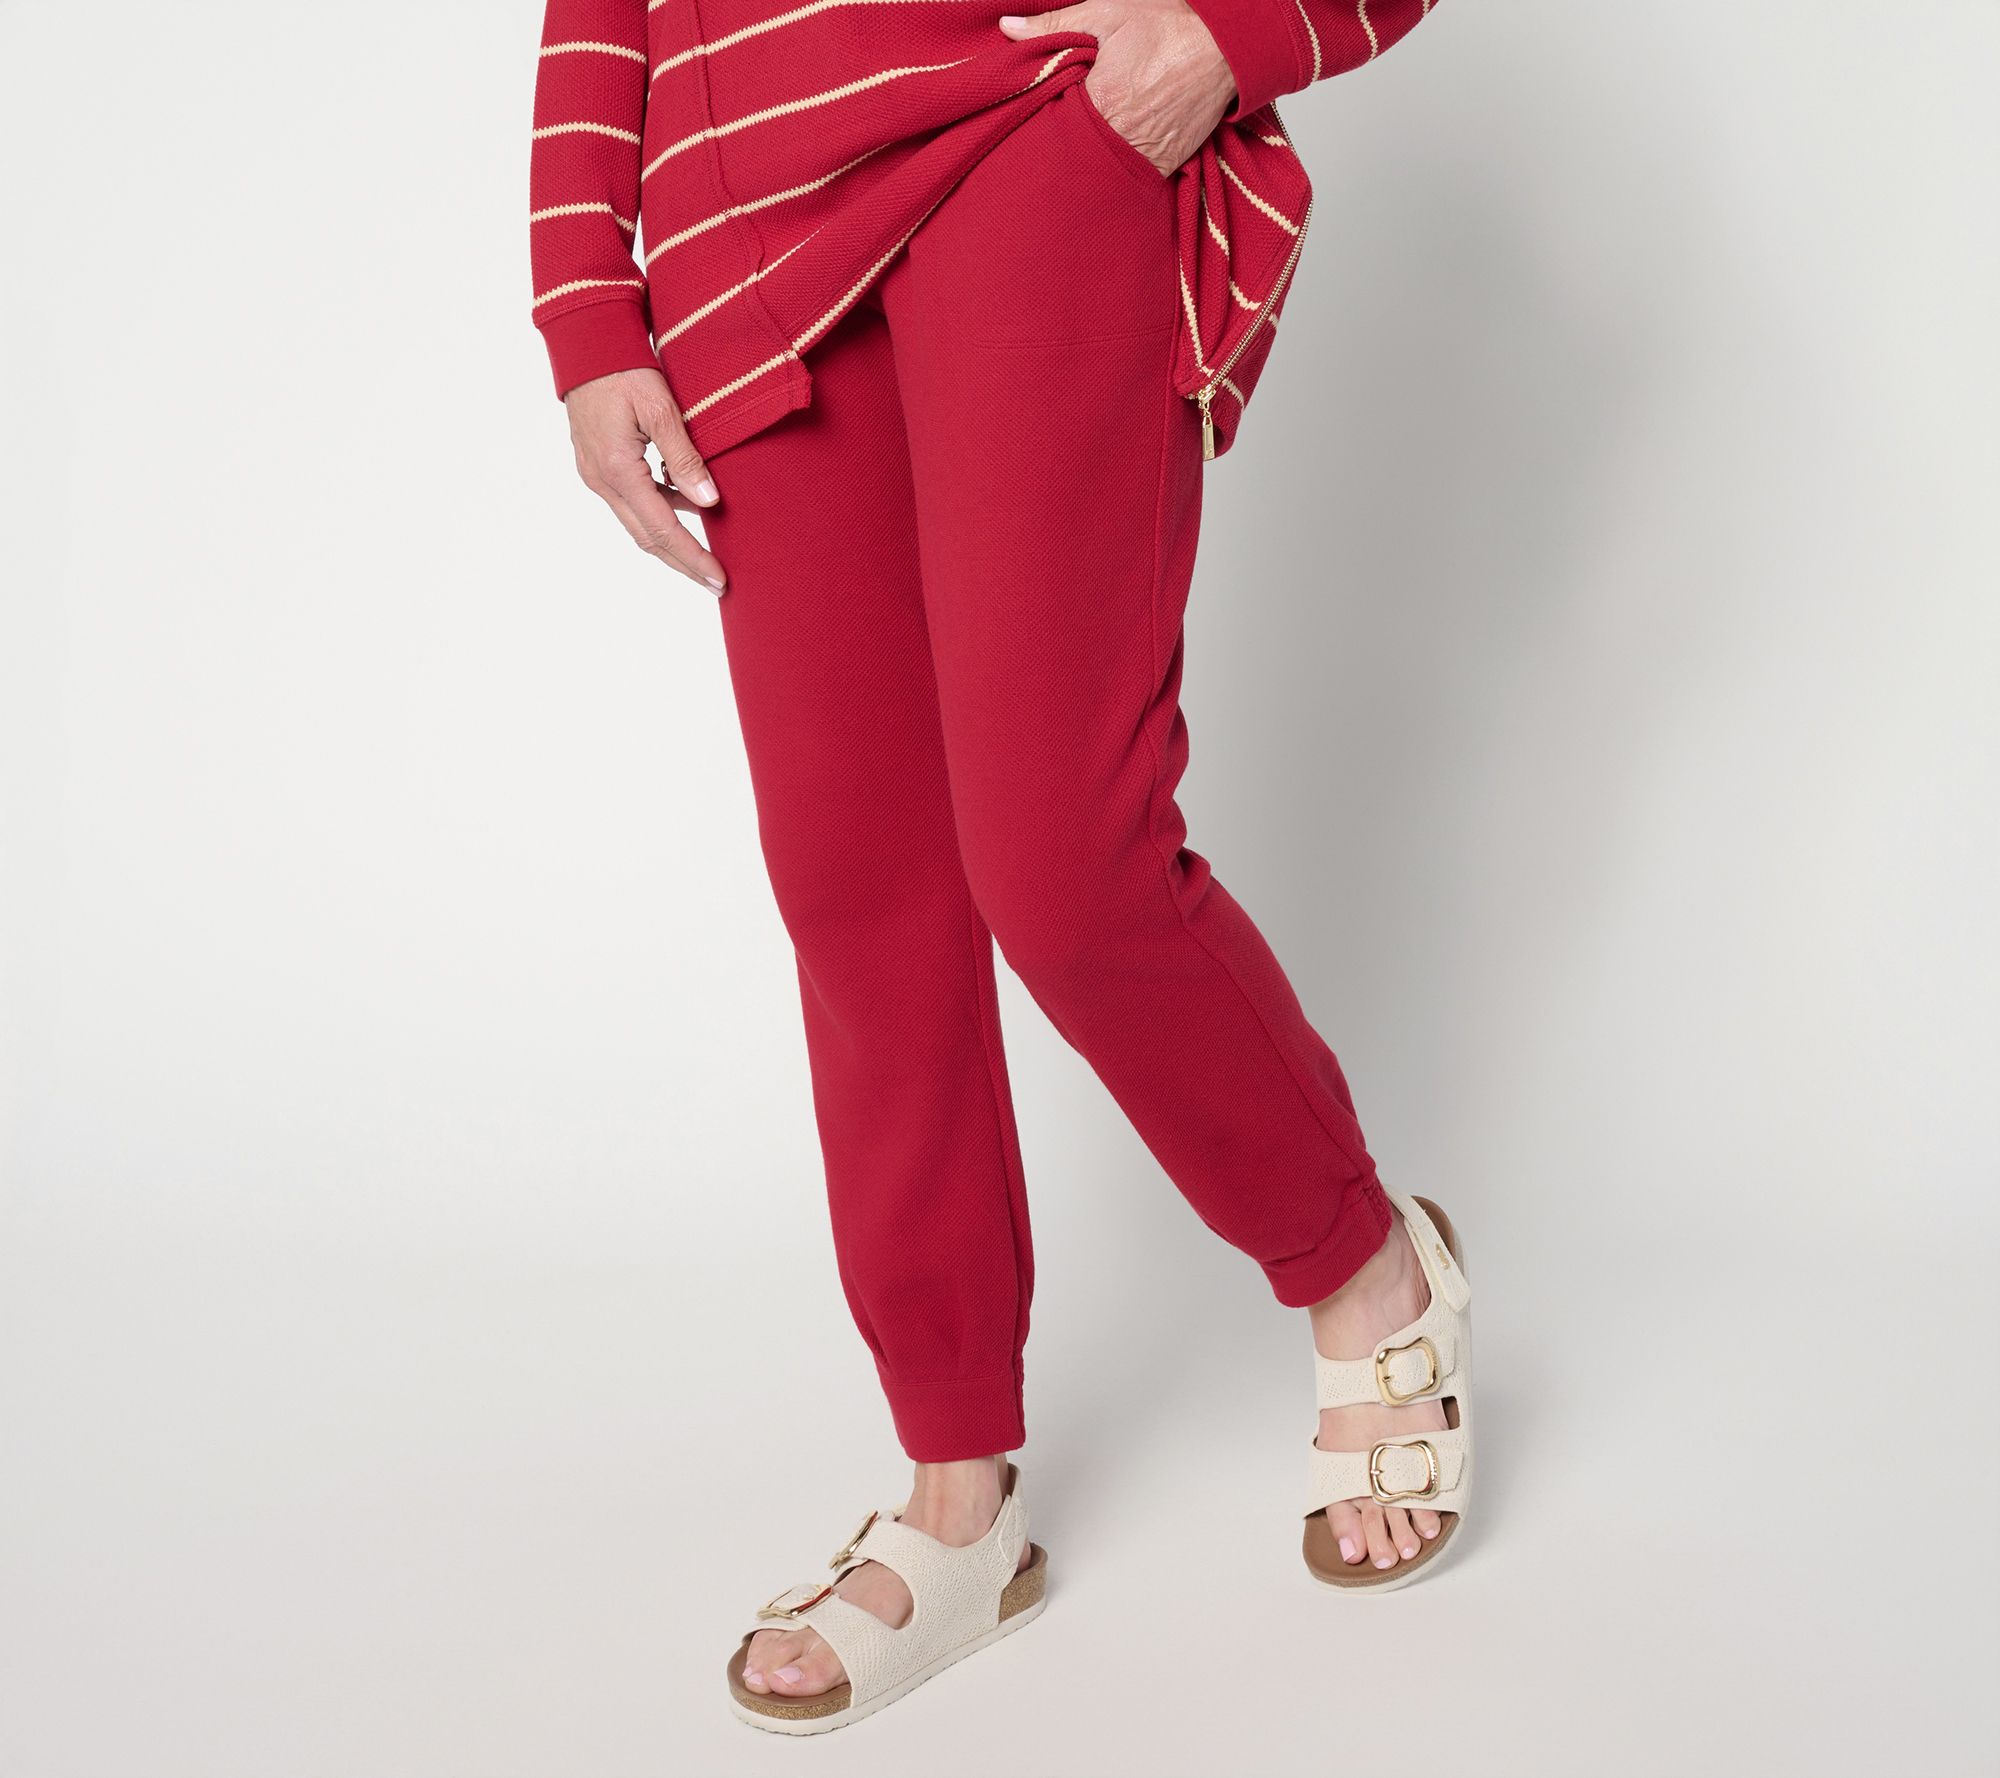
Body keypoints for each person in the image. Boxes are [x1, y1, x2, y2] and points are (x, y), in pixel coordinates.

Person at [529, 0, 1474, 1734]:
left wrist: (1231, 33)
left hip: (1031, 133)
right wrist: (586, 300)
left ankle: (1364, 1262)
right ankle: (956, 1489)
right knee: (860, 894)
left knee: (1066, 862)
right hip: (741, 209)